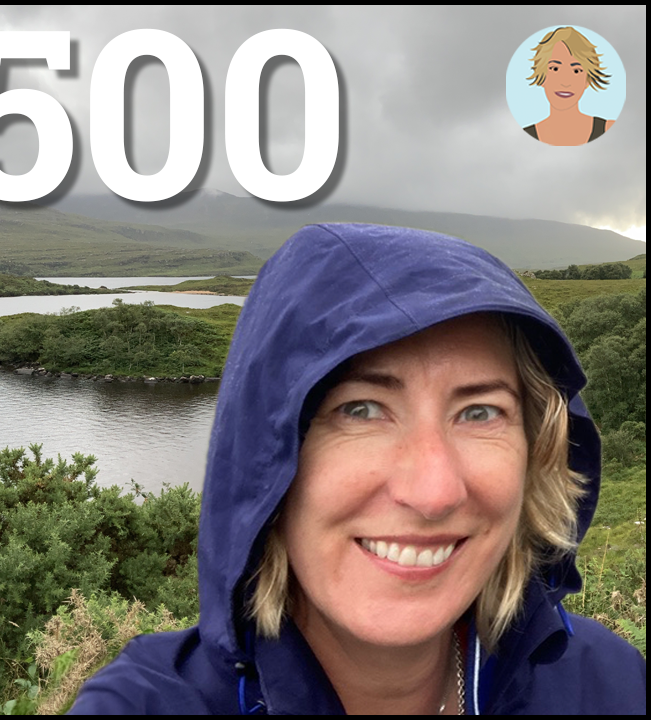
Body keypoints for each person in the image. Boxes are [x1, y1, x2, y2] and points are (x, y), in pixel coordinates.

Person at [69, 223, 646, 714]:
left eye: (480, 412)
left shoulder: (607, 686)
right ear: (267, 460)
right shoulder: (150, 703)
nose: (433, 491)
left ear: (535, 452)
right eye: (361, 410)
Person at [521, 27, 615, 145]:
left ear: (587, 80)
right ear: (542, 77)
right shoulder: (524, 138)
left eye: (576, 71)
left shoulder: (609, 129)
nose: (565, 82)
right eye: (555, 69)